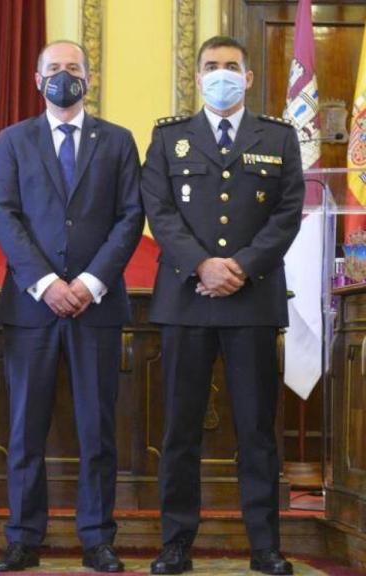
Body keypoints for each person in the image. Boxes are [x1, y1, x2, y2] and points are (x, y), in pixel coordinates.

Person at [141, 35, 304, 576]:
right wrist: (203, 266)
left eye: (231, 66)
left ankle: (265, 546)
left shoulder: (278, 138)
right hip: (187, 299)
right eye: (211, 66)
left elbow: (287, 211)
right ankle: (176, 545)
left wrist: (240, 267)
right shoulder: (169, 138)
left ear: (249, 78)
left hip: (252, 300)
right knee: (180, 431)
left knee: (257, 431)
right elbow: (159, 212)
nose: (221, 74)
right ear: (197, 77)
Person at [0, 40, 143, 574]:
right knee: (25, 430)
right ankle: (23, 537)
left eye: (72, 68)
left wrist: (92, 282)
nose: (63, 76)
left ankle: (98, 537)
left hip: (96, 308)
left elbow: (129, 217)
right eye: (53, 69)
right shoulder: (13, 140)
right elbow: (5, 216)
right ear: (37, 80)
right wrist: (48, 282)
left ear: (89, 77)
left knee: (97, 429)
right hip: (32, 308)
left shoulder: (118, 141)